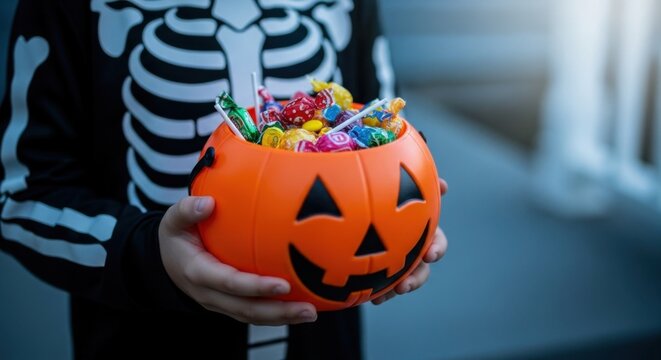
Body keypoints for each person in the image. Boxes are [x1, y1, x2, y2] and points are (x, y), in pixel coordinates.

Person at [0, 0, 448, 358]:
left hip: (327, 337)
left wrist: (408, 211)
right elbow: (19, 196)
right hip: (141, 338)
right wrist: (148, 254)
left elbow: (384, 126)